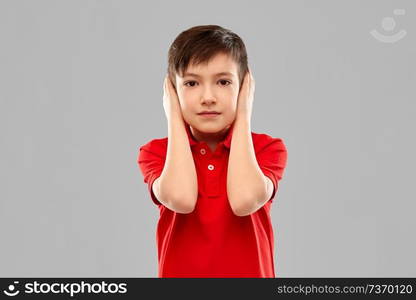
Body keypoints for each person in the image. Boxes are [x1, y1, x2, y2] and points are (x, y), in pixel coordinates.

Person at [137, 24, 288, 278]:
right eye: (192, 83)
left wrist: (243, 114)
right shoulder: (156, 152)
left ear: (244, 87)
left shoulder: (267, 149)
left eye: (223, 81)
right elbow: (181, 199)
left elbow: (244, 201)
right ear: (172, 90)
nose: (208, 97)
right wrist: (173, 114)